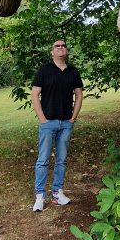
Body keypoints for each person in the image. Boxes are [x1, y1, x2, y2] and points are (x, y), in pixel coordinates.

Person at [30, 39, 83, 212]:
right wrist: (42, 119)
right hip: (48, 123)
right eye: (57, 46)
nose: (60, 48)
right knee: (43, 160)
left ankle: (57, 192)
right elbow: (35, 95)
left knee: (61, 160)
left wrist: (73, 119)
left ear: (66, 50)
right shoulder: (44, 70)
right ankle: (40, 196)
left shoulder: (73, 72)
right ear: (52, 52)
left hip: (66, 123)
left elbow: (79, 95)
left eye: (63, 46)